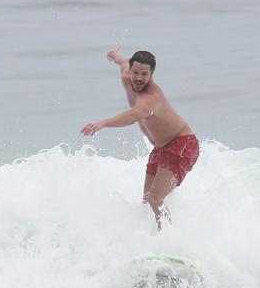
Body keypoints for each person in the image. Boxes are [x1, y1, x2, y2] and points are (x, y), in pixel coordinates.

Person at [81, 47, 199, 229]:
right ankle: (152, 237)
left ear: (151, 74)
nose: (138, 78)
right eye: (135, 72)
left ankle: (170, 236)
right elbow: (122, 62)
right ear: (130, 69)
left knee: (155, 198)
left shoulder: (150, 98)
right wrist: (113, 55)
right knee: (147, 200)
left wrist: (102, 123)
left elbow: (133, 115)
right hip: (161, 148)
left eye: (144, 74)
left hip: (182, 144)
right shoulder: (126, 74)